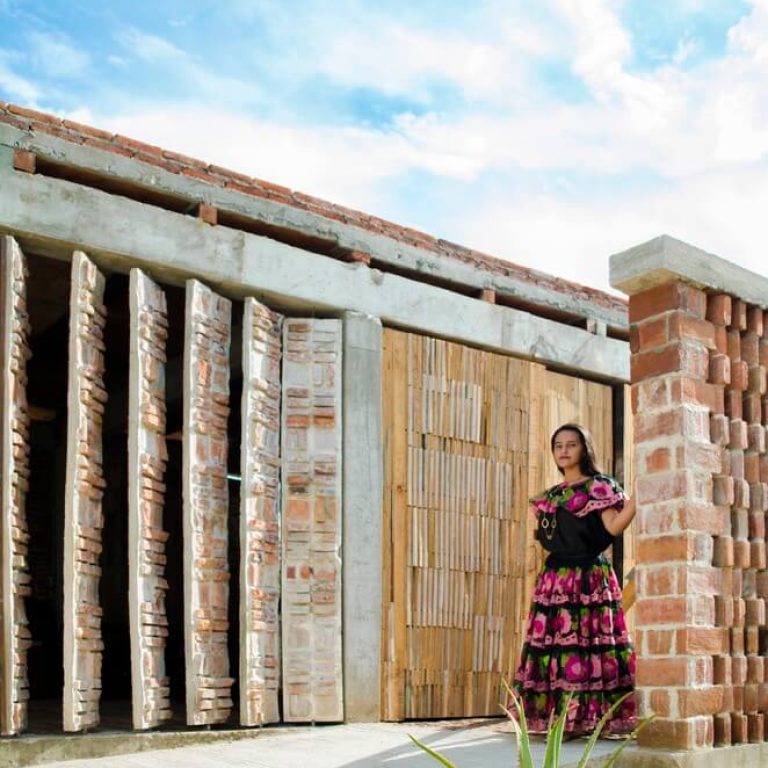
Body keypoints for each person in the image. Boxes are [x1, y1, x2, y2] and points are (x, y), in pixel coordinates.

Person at [513, 422, 637, 738]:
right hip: (555, 580)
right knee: (555, 649)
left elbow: (613, 528)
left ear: (584, 448)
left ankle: (592, 720)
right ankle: (559, 719)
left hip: (589, 578)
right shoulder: (550, 497)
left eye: (571, 444)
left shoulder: (599, 487)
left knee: (591, 647)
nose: (564, 450)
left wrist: (640, 495)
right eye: (558, 445)